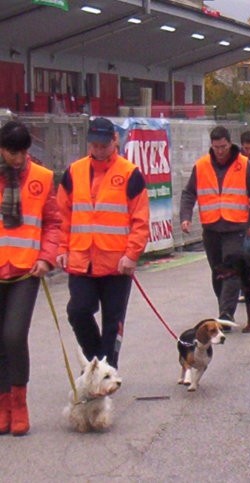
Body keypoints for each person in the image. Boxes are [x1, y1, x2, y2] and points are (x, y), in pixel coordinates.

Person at [56, 117, 150, 370]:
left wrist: (132, 255)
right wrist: (62, 248)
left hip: (116, 263)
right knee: (78, 311)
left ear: (114, 140)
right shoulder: (74, 172)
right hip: (81, 260)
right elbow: (62, 215)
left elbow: (140, 220)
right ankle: (97, 360)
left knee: (113, 321)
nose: (98, 150)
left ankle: (108, 367)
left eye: (103, 145)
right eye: (94, 145)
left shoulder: (130, 174)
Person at [0, 121, 61, 436]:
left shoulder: (42, 177)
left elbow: (53, 222)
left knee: (13, 335)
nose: (18, 158)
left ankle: (20, 404)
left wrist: (46, 257)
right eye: (12, 152)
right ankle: (3, 404)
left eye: (23, 152)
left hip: (26, 270)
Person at [180, 126, 250, 326]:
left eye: (223, 146)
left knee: (232, 270)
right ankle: (222, 307)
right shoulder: (201, 166)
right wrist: (186, 216)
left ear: (229, 143)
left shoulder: (243, 164)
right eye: (216, 147)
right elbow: (189, 193)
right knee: (218, 271)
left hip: (235, 227)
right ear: (212, 145)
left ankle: (226, 314)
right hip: (211, 228)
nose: (220, 151)